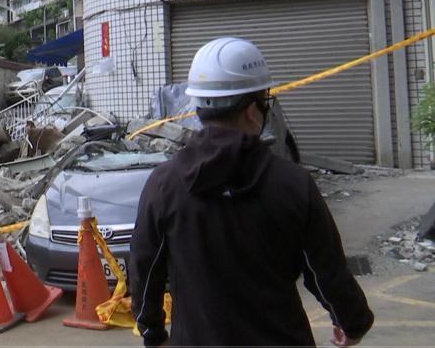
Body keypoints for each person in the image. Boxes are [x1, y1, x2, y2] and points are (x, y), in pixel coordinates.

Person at [130, 37, 374, 347]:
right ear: (250, 110)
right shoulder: (293, 183)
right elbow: (326, 270)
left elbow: (145, 269)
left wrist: (152, 332)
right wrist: (352, 323)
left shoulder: (164, 185)